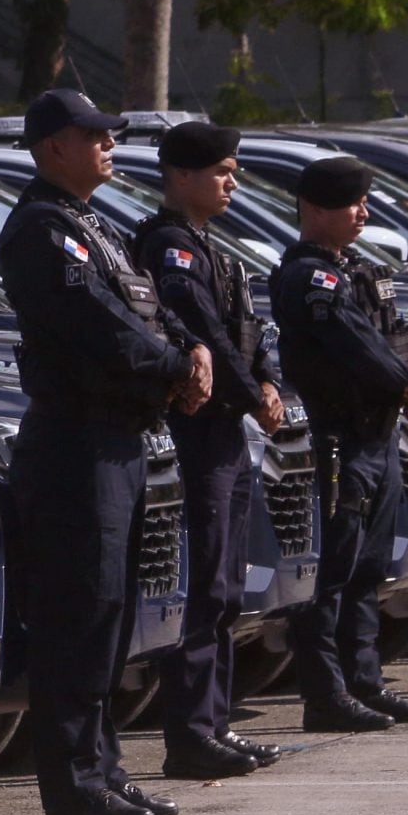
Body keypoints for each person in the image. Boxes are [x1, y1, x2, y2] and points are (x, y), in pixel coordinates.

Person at [0, 90, 207, 815]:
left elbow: (146, 303)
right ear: (55, 147)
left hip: (119, 438)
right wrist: (174, 367)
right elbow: (100, 327)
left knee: (110, 618)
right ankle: (73, 784)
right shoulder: (41, 230)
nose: (110, 146)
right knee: (77, 618)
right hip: (74, 442)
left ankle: (105, 767)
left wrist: (191, 349)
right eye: (95, 137)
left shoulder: (94, 224)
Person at [134, 121, 284, 778]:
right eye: (222, 171)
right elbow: (202, 335)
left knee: (223, 587)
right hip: (198, 429)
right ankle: (191, 735)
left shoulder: (211, 248)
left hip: (228, 429)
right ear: (183, 175)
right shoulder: (171, 249)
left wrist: (268, 380)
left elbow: (247, 330)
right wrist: (254, 393)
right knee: (204, 586)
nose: (232, 182)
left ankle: (214, 724)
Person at [267, 156, 408, 732]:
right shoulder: (309, 276)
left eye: (365, 201)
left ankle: (364, 680)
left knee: (367, 568)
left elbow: (395, 331)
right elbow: (355, 344)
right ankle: (325, 695)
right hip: (339, 434)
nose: (362, 213)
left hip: (378, 432)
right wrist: (406, 382)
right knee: (332, 573)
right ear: (314, 210)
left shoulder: (359, 268)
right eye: (349, 204)